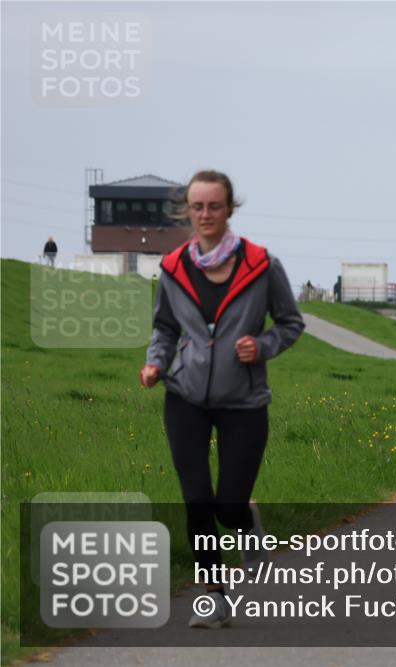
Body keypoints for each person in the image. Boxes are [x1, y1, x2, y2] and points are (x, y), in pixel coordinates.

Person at [140, 170, 305, 628]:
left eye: (214, 206)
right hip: (185, 395)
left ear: (230, 208)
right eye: (198, 207)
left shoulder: (261, 264)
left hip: (244, 400)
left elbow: (291, 323)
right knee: (196, 500)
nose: (206, 214)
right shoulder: (173, 267)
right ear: (187, 210)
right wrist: (156, 363)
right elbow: (165, 327)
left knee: (229, 506)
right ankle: (213, 597)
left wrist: (263, 346)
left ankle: (246, 523)